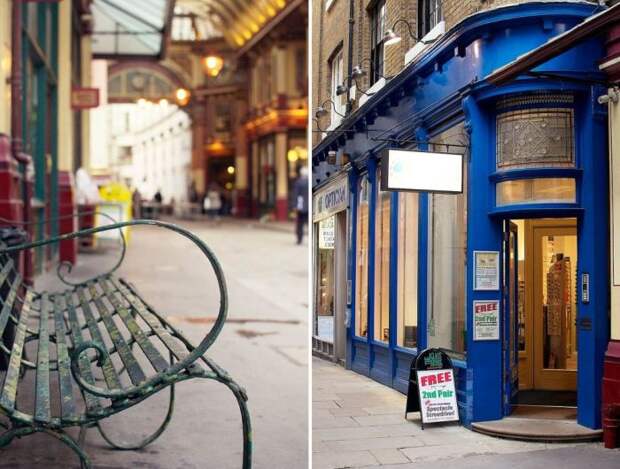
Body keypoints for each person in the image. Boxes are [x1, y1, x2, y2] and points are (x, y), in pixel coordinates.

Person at [293, 165, 309, 244]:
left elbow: (296, 195)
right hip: (309, 206)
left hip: (301, 206)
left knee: (300, 224)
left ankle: (299, 239)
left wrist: (295, 206)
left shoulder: (298, 182)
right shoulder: (309, 182)